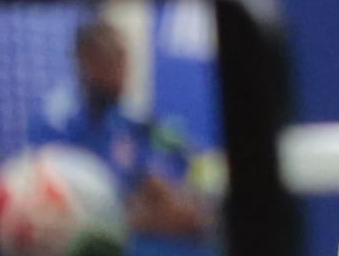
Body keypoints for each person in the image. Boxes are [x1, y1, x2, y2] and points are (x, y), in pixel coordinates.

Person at [33, 17, 209, 240]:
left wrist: (170, 200)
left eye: (123, 62)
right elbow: (55, 210)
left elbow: (147, 181)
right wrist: (147, 222)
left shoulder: (127, 119)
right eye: (109, 62)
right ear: (83, 62)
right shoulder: (54, 121)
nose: (120, 75)